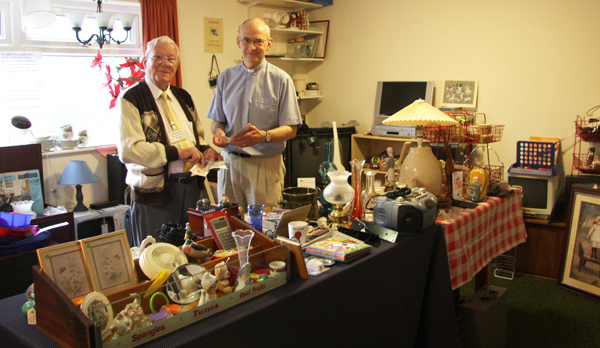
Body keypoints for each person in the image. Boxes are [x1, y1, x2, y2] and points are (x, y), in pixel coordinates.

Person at [118, 36, 221, 247]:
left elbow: (197, 136)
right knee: (156, 259)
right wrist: (177, 153)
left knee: (193, 253)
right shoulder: (131, 99)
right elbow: (130, 150)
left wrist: (206, 149)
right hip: (155, 195)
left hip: (192, 190)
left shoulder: (183, 97)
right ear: (144, 60)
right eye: (159, 57)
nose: (166, 64)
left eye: (172, 59)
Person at [207, 18, 302, 212]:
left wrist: (264, 136)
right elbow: (217, 120)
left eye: (258, 41)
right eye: (246, 40)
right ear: (238, 42)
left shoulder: (281, 80)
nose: (252, 47)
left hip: (264, 168)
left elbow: (291, 130)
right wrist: (218, 134)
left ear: (269, 43)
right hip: (229, 165)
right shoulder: (225, 77)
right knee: (228, 224)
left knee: (266, 229)